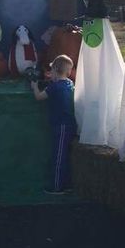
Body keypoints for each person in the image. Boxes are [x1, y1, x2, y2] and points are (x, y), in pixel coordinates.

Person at [31, 54, 77, 194]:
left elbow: (39, 97)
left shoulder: (54, 88)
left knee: (59, 157)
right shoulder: (69, 83)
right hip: (70, 124)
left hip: (61, 126)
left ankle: (57, 187)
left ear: (55, 70)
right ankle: (67, 183)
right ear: (69, 72)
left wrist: (34, 86)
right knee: (66, 155)